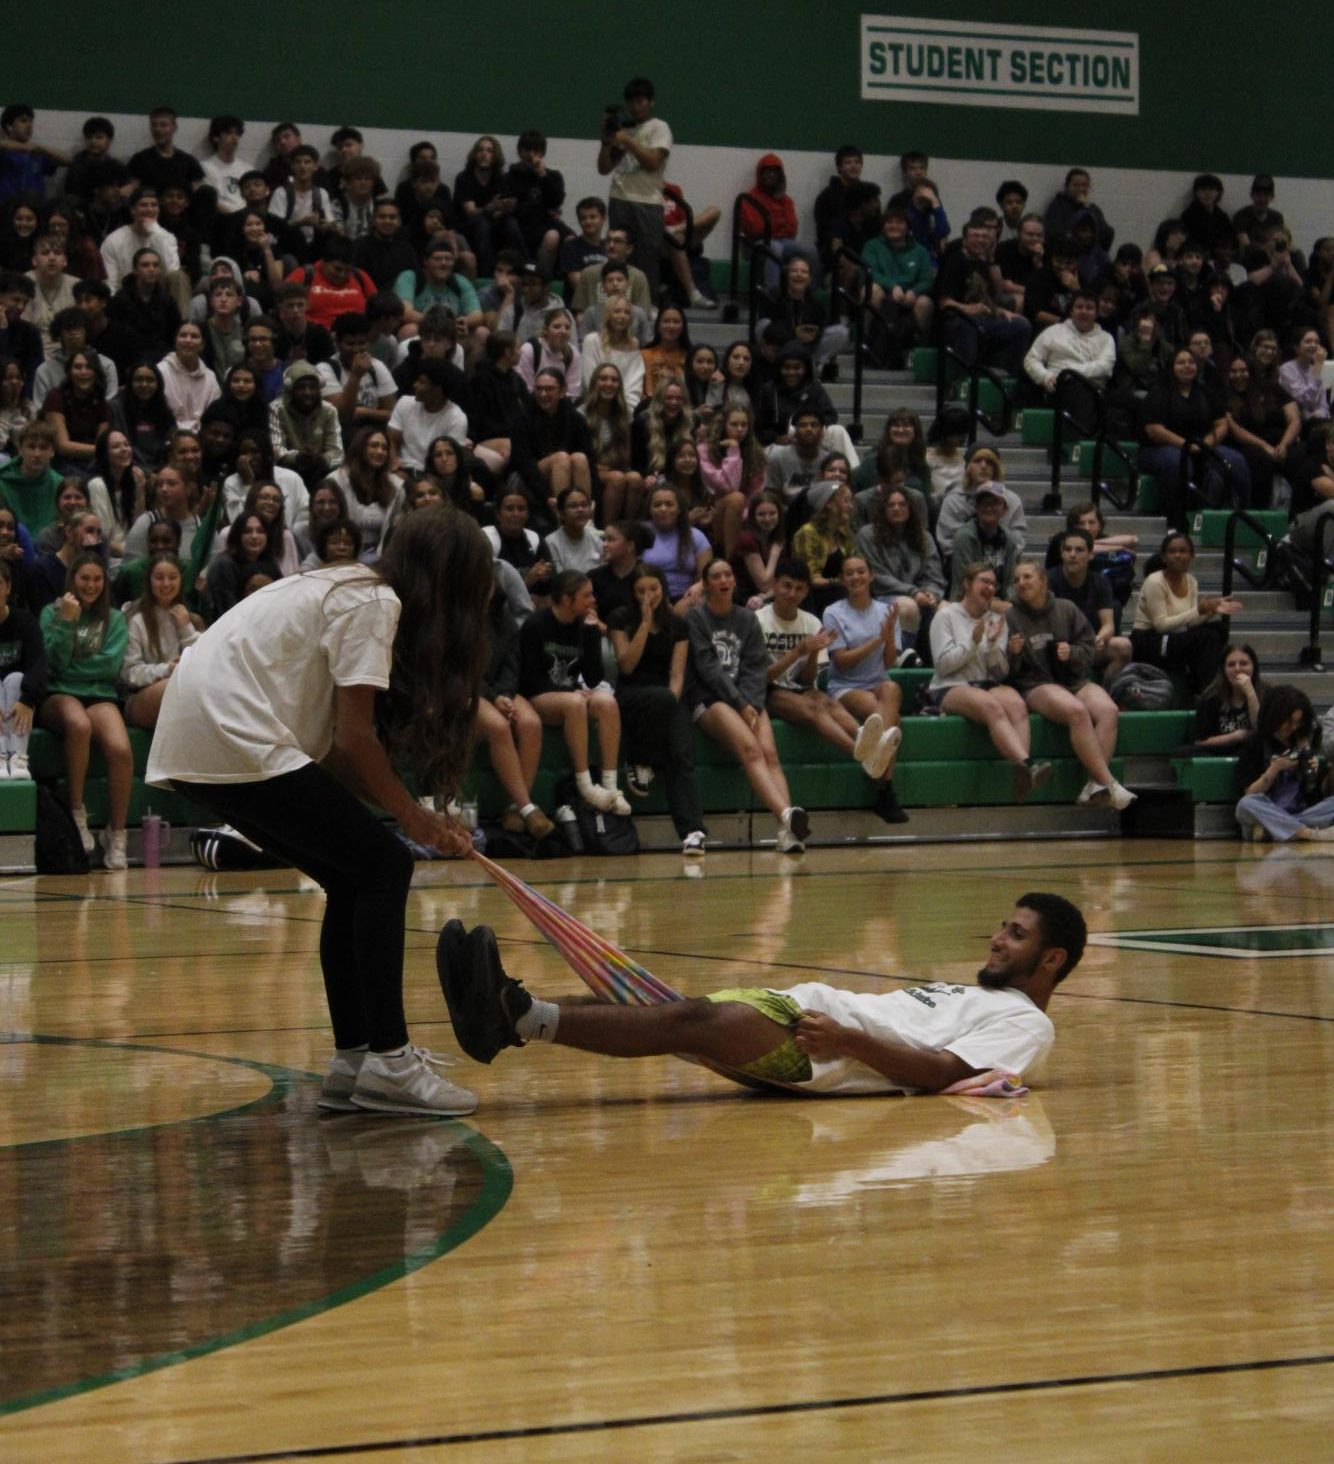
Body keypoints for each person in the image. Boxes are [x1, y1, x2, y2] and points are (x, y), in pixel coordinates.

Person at [148, 508, 491, 1114]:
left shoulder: (346, 585)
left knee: (353, 875)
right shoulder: (375, 604)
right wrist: (412, 819)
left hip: (199, 730)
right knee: (385, 866)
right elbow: (356, 739)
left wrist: (411, 815)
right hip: (232, 729)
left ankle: (356, 1059)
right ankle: (389, 1061)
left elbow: (334, 749)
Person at [440, 893, 1088, 1098]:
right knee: (664, 1014)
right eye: (1005, 927)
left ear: (1051, 959)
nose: (999, 939)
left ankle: (516, 1018)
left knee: (685, 1020)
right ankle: (504, 1010)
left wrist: (849, 1042)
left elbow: (948, 1074)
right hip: (807, 1009)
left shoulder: (1027, 1024)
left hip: (819, 1052)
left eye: (1017, 934)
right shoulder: (981, 992)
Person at [686, 558, 809, 853]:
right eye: (716, 576)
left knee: (770, 754)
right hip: (710, 698)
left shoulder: (746, 618)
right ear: (706, 585)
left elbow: (756, 667)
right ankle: (786, 815)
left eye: (728, 573)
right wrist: (741, 704)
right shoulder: (696, 619)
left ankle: (788, 834)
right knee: (751, 750)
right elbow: (709, 669)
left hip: (747, 699)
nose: (724, 580)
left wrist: (751, 703)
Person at [1005, 561, 1134, 809]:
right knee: (1076, 711)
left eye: (1027, 577)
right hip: (1035, 683)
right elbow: (1005, 670)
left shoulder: (1066, 609)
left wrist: (1072, 653)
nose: (1021, 583)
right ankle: (1109, 783)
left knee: (1109, 711)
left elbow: (1089, 649)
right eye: (1016, 579)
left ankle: (1094, 787)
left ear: (1043, 581)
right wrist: (1014, 653)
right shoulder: (1011, 616)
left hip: (1073, 679)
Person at [38, 550, 132, 865]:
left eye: (97, 579)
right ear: (72, 580)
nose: (91, 585)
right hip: (58, 694)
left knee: (120, 748)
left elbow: (108, 667)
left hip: (99, 693)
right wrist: (66, 623)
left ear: (105, 582)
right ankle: (77, 811)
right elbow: (52, 666)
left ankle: (116, 833)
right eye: (84, 579)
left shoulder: (116, 619)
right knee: (78, 725)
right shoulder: (51, 613)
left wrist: (75, 667)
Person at [928, 563, 1051, 798]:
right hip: (950, 685)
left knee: (1016, 704)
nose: (990, 587)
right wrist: (973, 643)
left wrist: (994, 645)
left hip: (985, 683)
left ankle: (1021, 775)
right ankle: (1027, 764)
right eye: (984, 581)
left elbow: (998, 675)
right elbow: (943, 666)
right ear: (967, 584)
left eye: (993, 584)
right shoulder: (945, 616)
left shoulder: (996, 620)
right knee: (991, 706)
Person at [608, 563, 707, 852]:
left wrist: (670, 705)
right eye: (641, 591)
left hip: (667, 696)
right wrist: (643, 623)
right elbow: (626, 665)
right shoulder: (620, 618)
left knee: (681, 750)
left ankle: (693, 832)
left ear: (663, 589)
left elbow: (677, 675)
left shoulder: (678, 624)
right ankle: (638, 760)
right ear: (632, 593)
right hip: (630, 696)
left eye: (654, 589)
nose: (648, 595)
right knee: (663, 704)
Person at [518, 568, 630, 814]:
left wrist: (591, 634)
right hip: (538, 697)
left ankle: (610, 786)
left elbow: (593, 678)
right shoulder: (535, 625)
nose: (593, 600)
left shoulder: (583, 626)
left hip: (570, 695)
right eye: (587, 596)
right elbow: (528, 679)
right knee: (575, 703)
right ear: (568, 600)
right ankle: (586, 786)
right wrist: (569, 692)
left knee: (607, 703)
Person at [820, 555, 908, 821]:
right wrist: (877, 640)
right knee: (893, 722)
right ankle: (885, 789)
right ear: (842, 580)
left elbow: (891, 661)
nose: (856, 577)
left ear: (870, 576)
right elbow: (842, 662)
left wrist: (889, 635)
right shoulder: (833, 612)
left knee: (891, 689)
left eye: (861, 571)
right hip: (846, 685)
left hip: (877, 682)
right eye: (850, 573)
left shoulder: (887, 610)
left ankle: (875, 766)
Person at [1139, 346, 1251, 526]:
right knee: (1177, 462)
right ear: (1171, 367)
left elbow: (1222, 424)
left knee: (1236, 461)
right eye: (1181, 362)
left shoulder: (1206, 392)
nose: (1187, 366)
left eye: (1191, 362)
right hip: (1161, 448)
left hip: (1202, 446)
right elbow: (1154, 429)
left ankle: (1243, 520)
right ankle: (1174, 523)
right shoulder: (1159, 393)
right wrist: (1186, 445)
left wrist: (1206, 443)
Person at [1130, 531, 1240, 695]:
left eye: (1183, 551)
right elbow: (1161, 625)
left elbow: (1190, 623)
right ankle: (1209, 692)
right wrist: (1198, 610)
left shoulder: (1191, 581)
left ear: (1192, 556)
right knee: (1207, 638)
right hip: (1148, 641)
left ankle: (1200, 682)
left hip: (1173, 637)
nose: (1178, 555)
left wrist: (1210, 611)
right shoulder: (1154, 581)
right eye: (1172, 551)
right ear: (1164, 557)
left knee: (1218, 628)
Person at [597, 78, 671, 299]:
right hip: (619, 198)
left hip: (647, 202)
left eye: (640, 101)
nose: (635, 107)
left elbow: (653, 161)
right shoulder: (623, 129)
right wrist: (607, 142)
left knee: (647, 260)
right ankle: (615, 303)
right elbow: (604, 167)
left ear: (650, 102)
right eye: (631, 102)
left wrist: (627, 140)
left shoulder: (659, 127)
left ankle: (650, 309)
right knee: (617, 257)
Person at [1234, 686, 1334, 843]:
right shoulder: (1255, 745)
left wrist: (1312, 774)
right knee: (1246, 804)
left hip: (1299, 814)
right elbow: (1250, 793)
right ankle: (1308, 834)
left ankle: (1276, 831)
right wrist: (1273, 770)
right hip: (1268, 812)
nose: (1292, 728)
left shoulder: (1303, 743)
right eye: (1288, 722)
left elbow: (1313, 794)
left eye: (1297, 723)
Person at [119, 550, 202, 728]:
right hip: (139, 697)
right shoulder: (136, 618)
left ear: (181, 580)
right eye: (159, 577)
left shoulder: (189, 618)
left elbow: (206, 664)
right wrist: (168, 669)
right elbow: (129, 673)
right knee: (172, 688)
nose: (166, 583)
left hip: (182, 691)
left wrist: (187, 630)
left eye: (172, 577)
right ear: (149, 581)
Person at [1046, 527, 1132, 681]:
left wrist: (1099, 638)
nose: (1072, 554)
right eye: (1068, 549)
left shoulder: (1101, 581)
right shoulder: (1048, 580)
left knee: (1123, 646)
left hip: (1086, 645)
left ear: (1091, 554)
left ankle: (1107, 692)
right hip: (1056, 647)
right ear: (1062, 553)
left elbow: (1108, 625)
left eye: (1079, 550)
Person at [0, 555, 45, 779]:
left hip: (19, 703)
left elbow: (38, 664)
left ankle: (18, 757)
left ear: (7, 587)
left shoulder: (25, 622)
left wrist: (28, 699)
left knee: (16, 679)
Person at [580, 361, 642, 523]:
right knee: (617, 479)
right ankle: (609, 529)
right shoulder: (581, 413)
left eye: (614, 380)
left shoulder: (624, 414)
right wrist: (598, 466)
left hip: (616, 467)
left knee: (635, 478)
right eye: (603, 379)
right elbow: (579, 453)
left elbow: (627, 456)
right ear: (595, 383)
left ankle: (628, 528)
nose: (609, 384)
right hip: (590, 470)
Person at [642, 483, 710, 609]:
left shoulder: (696, 536)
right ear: (650, 509)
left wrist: (694, 592)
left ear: (679, 509)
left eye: (669, 504)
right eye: (657, 505)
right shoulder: (639, 533)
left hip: (686, 597)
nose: (663, 509)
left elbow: (705, 578)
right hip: (648, 598)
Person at [1190, 643, 1263, 752]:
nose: (1237, 669)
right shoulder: (1209, 698)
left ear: (1254, 667)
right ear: (1223, 670)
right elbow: (1200, 741)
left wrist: (1251, 694)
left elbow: (1261, 730)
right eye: (1231, 665)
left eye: (1243, 663)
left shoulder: (1268, 694)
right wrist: (1237, 736)